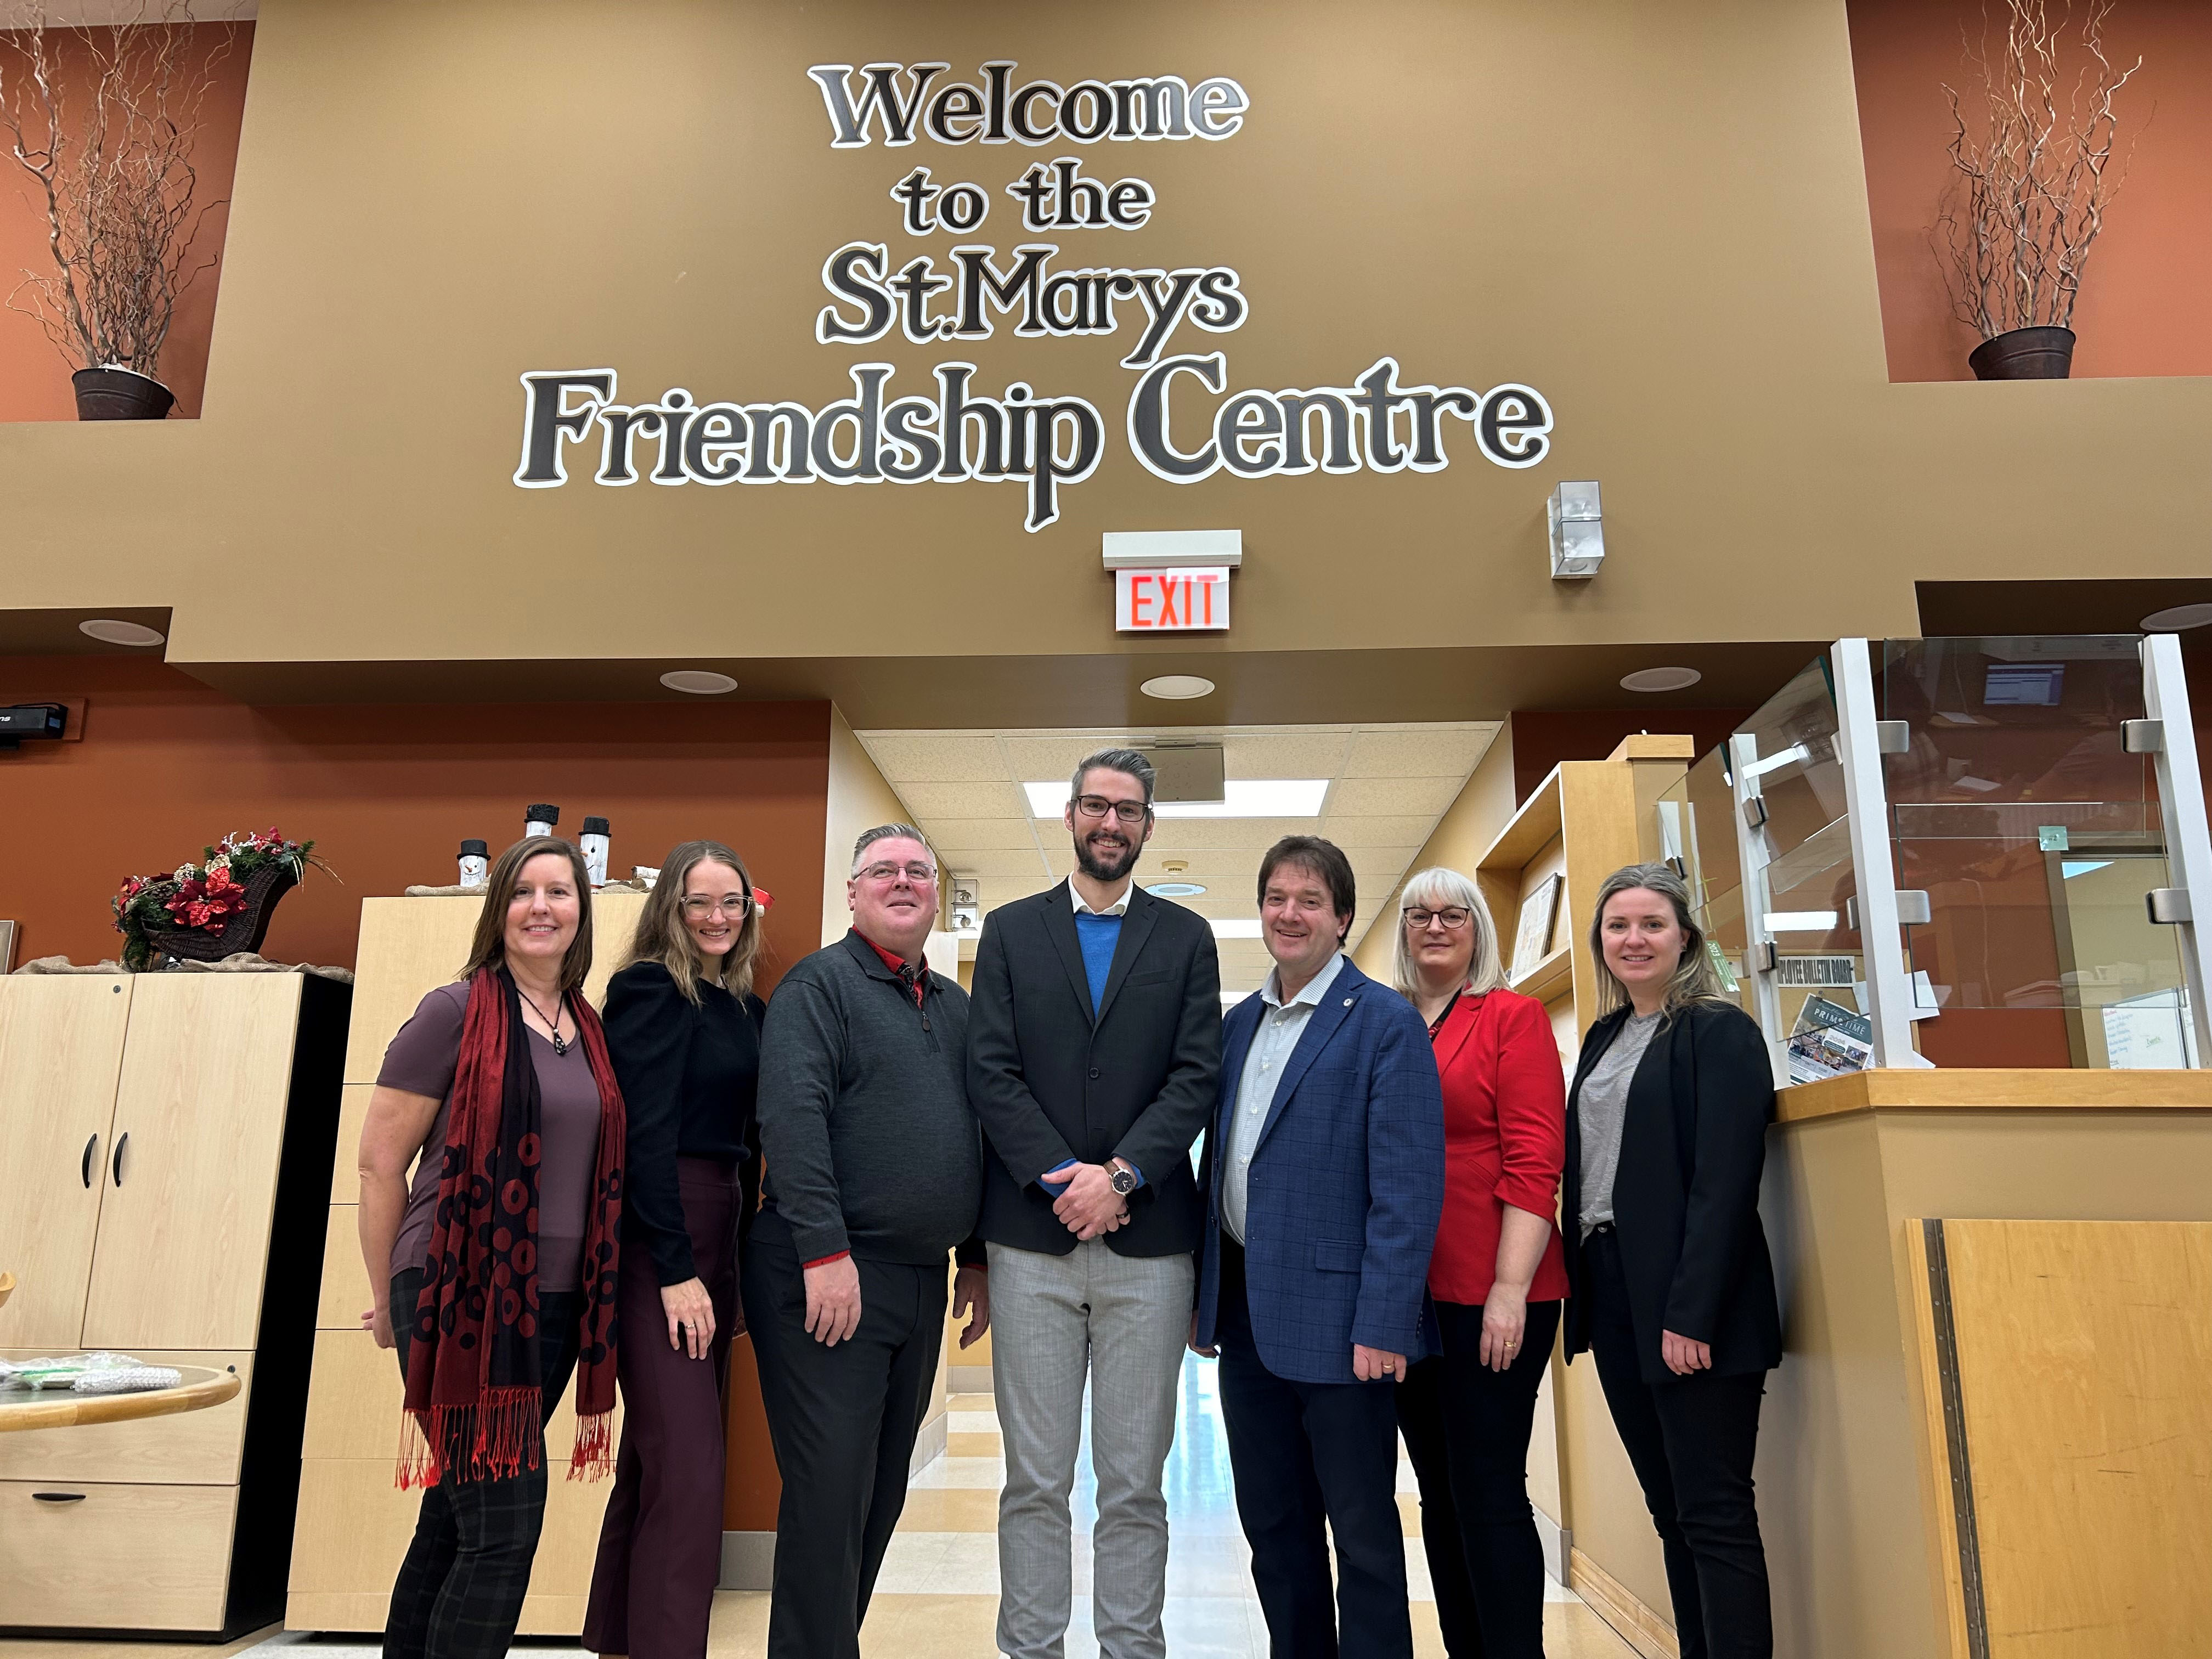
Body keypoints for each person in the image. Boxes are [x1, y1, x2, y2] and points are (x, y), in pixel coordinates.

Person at [966, 747, 1221, 1659]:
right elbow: (990, 1072)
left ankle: (1131, 1649)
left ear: (1149, 827)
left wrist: (1118, 1179)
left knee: (1134, 1483)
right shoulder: (1009, 931)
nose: (1111, 824)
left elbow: (1196, 1076)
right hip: (1030, 1245)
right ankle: (1031, 1649)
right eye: (1096, 807)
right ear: (1070, 817)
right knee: (1034, 1480)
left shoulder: (1186, 940)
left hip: (1149, 1247)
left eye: (1129, 811)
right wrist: (1061, 1178)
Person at [356, 835, 627, 1659]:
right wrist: (387, 1297)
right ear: (497, 909)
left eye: (560, 892)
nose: (541, 907)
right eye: (523, 892)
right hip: (455, 1294)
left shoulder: (588, 1025)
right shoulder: (453, 1011)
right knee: (506, 1530)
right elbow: (378, 1162)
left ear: (583, 912)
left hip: (552, 1306)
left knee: (457, 1519)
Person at [1192, 835, 1444, 1659]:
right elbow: (1222, 1172)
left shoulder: (1384, 1024)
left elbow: (1407, 1190)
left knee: (1364, 1540)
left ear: (1343, 917)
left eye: (1310, 900)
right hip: (1248, 1324)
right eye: (1275, 898)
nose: (1289, 914)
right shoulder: (1236, 1027)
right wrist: (1205, 1304)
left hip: (1347, 1333)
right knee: (1274, 1527)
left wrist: (1385, 1323)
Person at [742, 824, 991, 1659]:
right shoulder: (820, 988)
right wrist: (824, 1251)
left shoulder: (956, 1008)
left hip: (918, 1280)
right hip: (829, 1272)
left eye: (919, 871)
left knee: (882, 1492)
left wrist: (979, 1255)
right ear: (851, 893)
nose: (903, 882)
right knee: (830, 1492)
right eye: (882, 871)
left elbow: (983, 1134)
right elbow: (793, 1119)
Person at [1562, 862, 1782, 1659]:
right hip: (1615, 1289)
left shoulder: (1717, 1031)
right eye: (1618, 926)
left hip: (1695, 1304)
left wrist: (1690, 1315)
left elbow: (1725, 1185)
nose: (1634, 939)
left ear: (1683, 935)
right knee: (1671, 1510)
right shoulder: (1604, 1036)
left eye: (1651, 923)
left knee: (1716, 1514)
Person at [584, 840, 769, 1659]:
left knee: (656, 1464)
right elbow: (642, 1138)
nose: (718, 917)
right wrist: (679, 1271)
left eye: (733, 902)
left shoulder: (743, 1005)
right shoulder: (651, 988)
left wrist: (728, 1266)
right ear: (671, 909)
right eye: (700, 902)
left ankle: (622, 1640)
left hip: (719, 1227)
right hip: (662, 1237)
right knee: (691, 1474)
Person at [1390, 867, 1569, 1659]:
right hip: (1408, 1297)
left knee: (1489, 1492)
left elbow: (1537, 1161)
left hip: (1496, 1291)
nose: (1435, 926)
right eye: (1419, 914)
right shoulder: (1385, 1022)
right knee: (1437, 1494)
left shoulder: (1512, 1018)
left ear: (1477, 929)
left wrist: (1509, 1289)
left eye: (1452, 914)